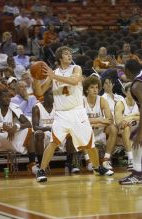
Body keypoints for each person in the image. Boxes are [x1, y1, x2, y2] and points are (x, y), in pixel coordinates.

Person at [34, 46, 111, 182]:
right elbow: (39, 92)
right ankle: (41, 170)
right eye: (66, 54)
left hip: (77, 112)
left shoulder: (76, 69)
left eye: (70, 53)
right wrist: (35, 77)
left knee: (89, 144)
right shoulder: (54, 73)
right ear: (59, 57)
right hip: (61, 114)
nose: (69, 55)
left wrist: (54, 76)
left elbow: (75, 81)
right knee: (54, 142)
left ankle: (97, 167)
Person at [0, 88, 36, 171]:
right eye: (4, 97)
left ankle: (32, 164)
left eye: (9, 97)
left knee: (29, 130)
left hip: (11, 137)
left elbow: (28, 123)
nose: (7, 99)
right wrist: (1, 125)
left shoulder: (14, 107)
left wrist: (16, 126)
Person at [83, 76, 117, 173]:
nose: (95, 90)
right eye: (92, 87)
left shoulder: (102, 100)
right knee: (81, 129)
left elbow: (110, 120)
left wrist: (93, 122)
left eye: (97, 87)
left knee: (113, 128)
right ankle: (88, 161)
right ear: (86, 89)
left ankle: (106, 159)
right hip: (87, 131)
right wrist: (99, 119)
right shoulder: (82, 101)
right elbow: (81, 121)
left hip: (100, 130)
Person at [119, 59, 142, 185]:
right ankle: (138, 173)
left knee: (136, 138)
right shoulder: (140, 73)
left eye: (124, 70)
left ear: (127, 71)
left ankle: (137, 174)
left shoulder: (136, 85)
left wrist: (140, 133)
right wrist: (117, 66)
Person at [115, 82, 140, 171]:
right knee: (126, 127)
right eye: (130, 91)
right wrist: (136, 116)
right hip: (124, 129)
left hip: (137, 129)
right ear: (125, 92)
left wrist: (131, 117)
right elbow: (119, 122)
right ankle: (130, 159)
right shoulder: (120, 103)